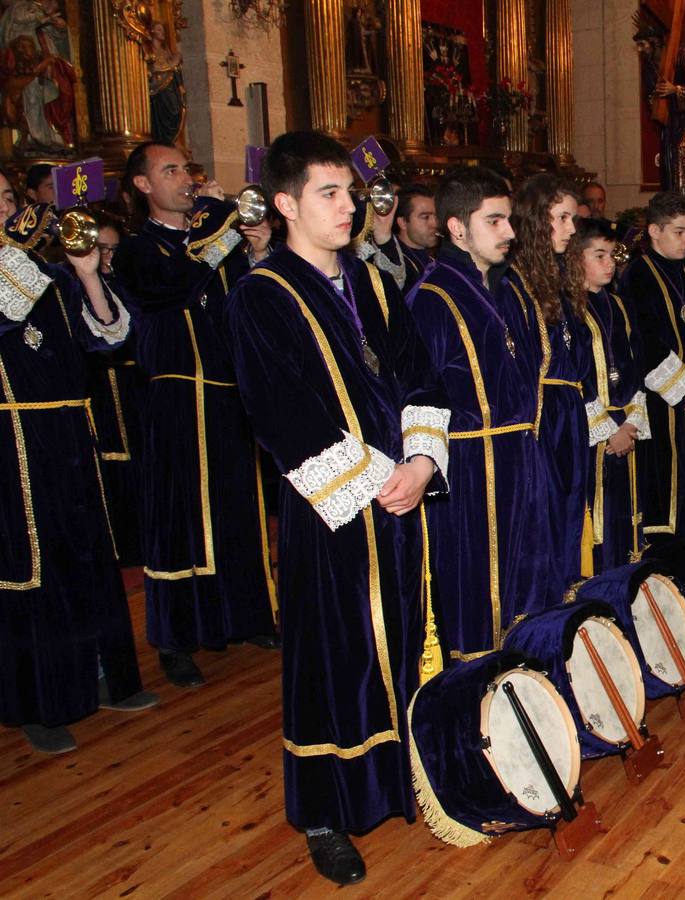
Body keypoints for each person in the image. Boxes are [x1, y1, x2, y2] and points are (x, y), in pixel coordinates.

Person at [224, 130, 451, 886]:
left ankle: (401, 781)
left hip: (398, 498)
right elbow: (279, 412)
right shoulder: (262, 294)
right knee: (332, 656)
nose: (348, 205)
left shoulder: (374, 282)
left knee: (404, 643)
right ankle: (325, 809)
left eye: (349, 192)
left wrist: (421, 462)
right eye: (329, 193)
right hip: (332, 511)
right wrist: (375, 482)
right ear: (285, 204)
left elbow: (420, 373)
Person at [0, 179, 158, 755]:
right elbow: (9, 308)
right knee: (31, 566)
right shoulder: (16, 273)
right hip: (14, 436)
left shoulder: (52, 275)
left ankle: (103, 678)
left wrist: (88, 272)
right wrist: (19, 252)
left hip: (70, 428)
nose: (5, 210)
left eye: (9, 200)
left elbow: (111, 337)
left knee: (87, 553)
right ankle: (36, 702)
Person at [113, 140, 279, 689]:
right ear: (143, 185)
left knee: (240, 507)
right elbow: (171, 287)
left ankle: (249, 614)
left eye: (186, 168)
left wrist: (256, 251)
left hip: (231, 391)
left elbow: (251, 303)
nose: (184, 177)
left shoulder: (219, 239)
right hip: (176, 396)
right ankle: (177, 637)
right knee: (179, 517)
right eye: (169, 170)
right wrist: (223, 231)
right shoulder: (137, 249)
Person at [407, 165, 554, 657]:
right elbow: (415, 399)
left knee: (526, 585)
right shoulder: (429, 299)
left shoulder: (510, 290)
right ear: (456, 227)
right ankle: (475, 695)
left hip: (519, 458)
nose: (510, 232)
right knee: (475, 595)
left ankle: (524, 681)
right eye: (494, 221)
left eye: (508, 220)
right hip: (470, 472)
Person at [499, 173, 594, 593]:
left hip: (569, 412)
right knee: (546, 513)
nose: (572, 228)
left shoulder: (561, 278)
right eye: (562, 218)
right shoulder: (513, 283)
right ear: (537, 221)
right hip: (542, 413)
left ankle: (568, 597)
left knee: (571, 510)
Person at [620, 190, 685, 543]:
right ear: (654, 231)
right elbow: (644, 343)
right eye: (679, 232)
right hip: (661, 404)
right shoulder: (637, 276)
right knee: (664, 492)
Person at [566, 217, 651, 570]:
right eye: (598, 255)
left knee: (626, 514)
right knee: (597, 517)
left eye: (611, 254)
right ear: (576, 259)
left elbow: (634, 365)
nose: (609, 262)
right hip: (594, 433)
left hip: (624, 425)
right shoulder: (568, 307)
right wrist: (608, 429)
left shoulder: (620, 305)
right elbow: (576, 375)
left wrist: (631, 422)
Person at [88, 214, 146, 564]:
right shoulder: (79, 283)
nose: (107, 256)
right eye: (101, 249)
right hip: (102, 386)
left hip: (136, 382)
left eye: (113, 249)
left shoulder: (130, 282)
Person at [634, 21, 685, 193]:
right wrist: (652, 101)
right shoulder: (649, 65)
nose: (640, 50)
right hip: (668, 124)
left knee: (683, 151)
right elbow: (649, 94)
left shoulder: (683, 55)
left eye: (642, 45)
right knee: (669, 161)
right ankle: (674, 199)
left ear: (655, 42)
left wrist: (676, 90)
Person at [377, 183, 439, 284]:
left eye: (436, 216)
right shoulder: (394, 262)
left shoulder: (432, 258)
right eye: (425, 217)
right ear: (403, 222)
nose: (435, 224)